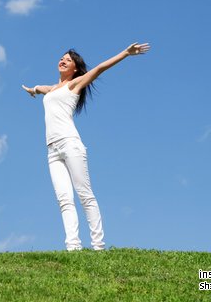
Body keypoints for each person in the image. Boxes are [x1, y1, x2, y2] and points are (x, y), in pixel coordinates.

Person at [22, 42, 150, 251]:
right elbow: (45, 89)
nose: (63, 60)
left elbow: (99, 68)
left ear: (75, 69)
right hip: (52, 150)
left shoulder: (75, 84)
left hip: (70, 144)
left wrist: (126, 53)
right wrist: (33, 90)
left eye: (69, 60)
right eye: (62, 57)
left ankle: (98, 245)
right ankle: (73, 246)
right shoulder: (54, 89)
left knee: (85, 194)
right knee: (64, 199)